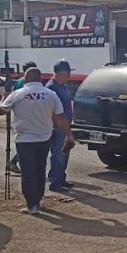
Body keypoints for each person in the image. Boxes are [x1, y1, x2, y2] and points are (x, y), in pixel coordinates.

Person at [0, 67, 74, 215]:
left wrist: (3, 98)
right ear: (40, 79)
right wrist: (69, 135)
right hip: (44, 138)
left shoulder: (17, 94)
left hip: (25, 139)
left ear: (25, 79)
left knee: (28, 172)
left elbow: (1, 111)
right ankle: (37, 200)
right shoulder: (50, 94)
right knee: (39, 170)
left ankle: (32, 205)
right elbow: (60, 116)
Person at [46, 59, 75, 192]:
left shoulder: (63, 86)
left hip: (65, 125)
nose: (69, 75)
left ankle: (61, 178)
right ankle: (54, 181)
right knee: (57, 154)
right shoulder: (52, 87)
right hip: (58, 126)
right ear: (61, 73)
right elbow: (52, 110)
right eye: (68, 73)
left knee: (64, 153)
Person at [7, 61, 38, 174]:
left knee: (26, 143)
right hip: (30, 116)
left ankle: (15, 163)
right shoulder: (28, 83)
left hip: (21, 115)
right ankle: (16, 164)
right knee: (30, 144)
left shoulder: (18, 82)